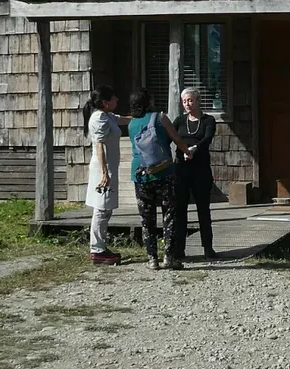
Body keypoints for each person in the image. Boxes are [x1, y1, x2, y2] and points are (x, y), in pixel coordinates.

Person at [128, 90, 189, 269]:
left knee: (147, 218)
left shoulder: (132, 124)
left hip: (140, 174)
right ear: (149, 101)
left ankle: (151, 259)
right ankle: (169, 257)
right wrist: (187, 152)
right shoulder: (160, 117)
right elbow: (176, 138)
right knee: (169, 214)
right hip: (163, 172)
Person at [171, 86, 217, 262]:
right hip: (181, 170)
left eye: (190, 100)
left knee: (203, 209)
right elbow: (171, 136)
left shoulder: (208, 120)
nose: (187, 104)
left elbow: (207, 138)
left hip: (201, 170)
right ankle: (179, 249)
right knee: (180, 209)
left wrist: (193, 148)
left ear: (197, 101)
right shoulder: (179, 121)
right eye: (184, 101)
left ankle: (208, 248)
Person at [82, 86, 123, 264]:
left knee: (106, 210)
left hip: (109, 168)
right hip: (102, 169)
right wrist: (105, 172)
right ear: (105, 102)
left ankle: (100, 246)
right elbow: (99, 145)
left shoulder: (108, 116)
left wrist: (146, 116)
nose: (117, 101)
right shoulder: (99, 118)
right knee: (101, 209)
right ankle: (97, 249)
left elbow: (124, 120)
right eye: (114, 98)